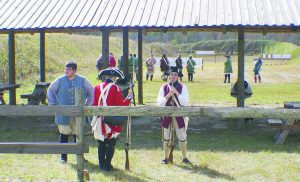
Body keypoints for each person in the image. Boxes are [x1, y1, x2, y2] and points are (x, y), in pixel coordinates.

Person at [47, 61, 94, 164]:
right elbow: (50, 91)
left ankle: (80, 157)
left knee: (78, 136)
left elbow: (91, 91)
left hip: (78, 113)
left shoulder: (83, 80)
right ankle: (63, 158)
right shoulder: (59, 81)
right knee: (64, 135)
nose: (66, 71)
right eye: (65, 69)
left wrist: (87, 105)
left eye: (69, 69)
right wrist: (53, 104)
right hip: (64, 113)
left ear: (74, 70)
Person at [92, 68, 132, 171]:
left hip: (99, 119)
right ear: (114, 78)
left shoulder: (96, 87)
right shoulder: (115, 88)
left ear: (106, 77)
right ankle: (108, 164)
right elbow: (120, 106)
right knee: (111, 143)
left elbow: (94, 104)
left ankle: (102, 164)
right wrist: (128, 98)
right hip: (111, 120)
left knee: (101, 143)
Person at [157, 66, 191, 164]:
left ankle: (184, 157)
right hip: (167, 115)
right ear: (168, 76)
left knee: (182, 136)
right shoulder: (163, 88)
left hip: (179, 115)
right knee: (166, 137)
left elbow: (185, 102)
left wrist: (176, 92)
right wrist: (168, 95)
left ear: (178, 76)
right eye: (171, 74)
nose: (173, 76)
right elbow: (159, 103)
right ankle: (166, 157)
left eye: (175, 74)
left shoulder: (183, 87)